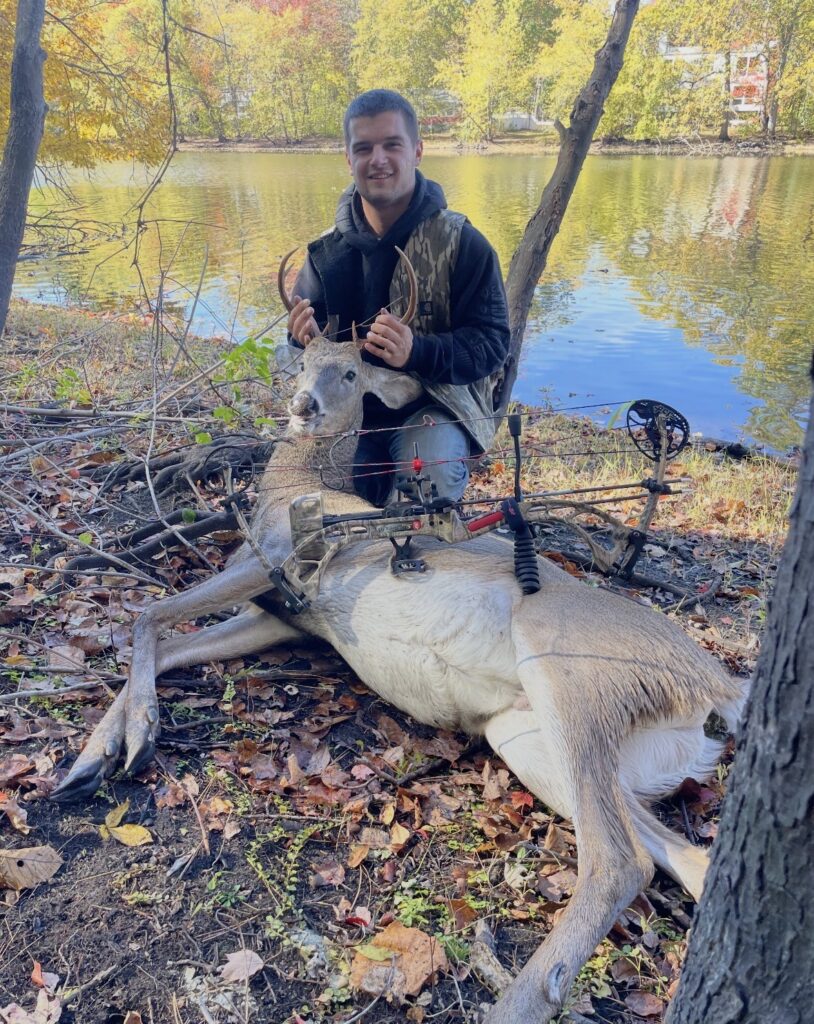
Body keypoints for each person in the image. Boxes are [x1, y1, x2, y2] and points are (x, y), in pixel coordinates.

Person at [286, 89, 510, 506]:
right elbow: (302, 352)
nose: (378, 159)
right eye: (364, 148)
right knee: (306, 487)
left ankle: (422, 518)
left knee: (430, 473)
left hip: (432, 411)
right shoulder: (325, 254)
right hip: (344, 415)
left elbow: (493, 343)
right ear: (348, 159)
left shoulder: (462, 244)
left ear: (417, 151)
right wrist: (300, 338)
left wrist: (417, 351)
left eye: (392, 144)